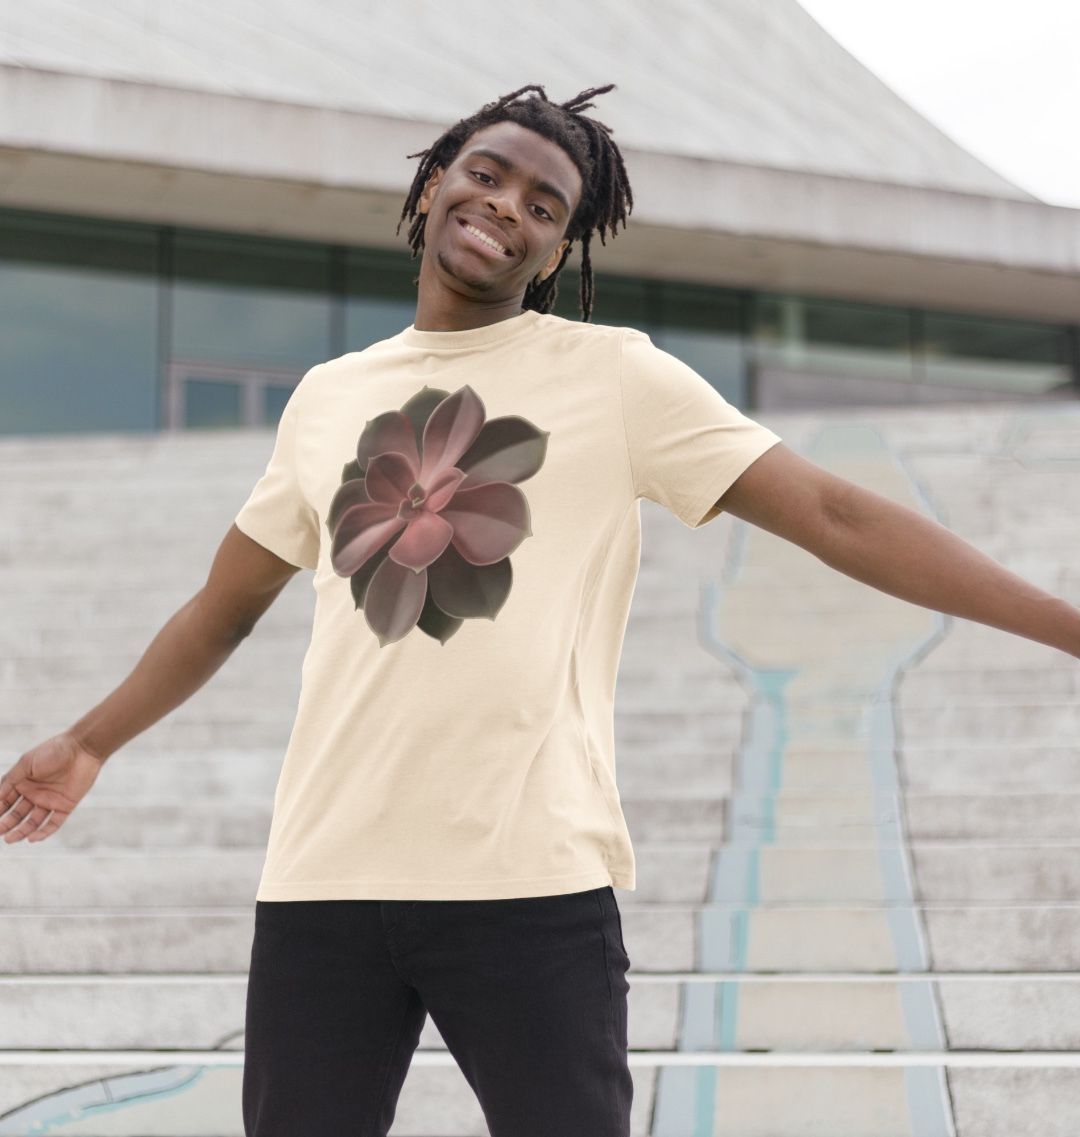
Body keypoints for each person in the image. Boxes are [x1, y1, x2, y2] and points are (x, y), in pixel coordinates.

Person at [1, 83, 1078, 1137]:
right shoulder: (328, 395)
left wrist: (1068, 626)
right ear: (430, 189)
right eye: (487, 174)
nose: (508, 204)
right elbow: (221, 609)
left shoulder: (613, 378)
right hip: (323, 881)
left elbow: (838, 515)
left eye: (545, 204)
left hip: (529, 884)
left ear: (557, 254)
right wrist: (92, 741)